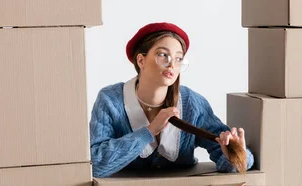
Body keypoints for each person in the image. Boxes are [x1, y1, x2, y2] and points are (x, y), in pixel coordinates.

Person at [89, 22, 254, 178]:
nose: (172, 65)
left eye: (178, 58)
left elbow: (238, 162)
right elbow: (95, 164)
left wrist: (234, 155)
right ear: (141, 60)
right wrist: (150, 131)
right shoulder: (110, 100)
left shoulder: (192, 104)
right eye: (163, 55)